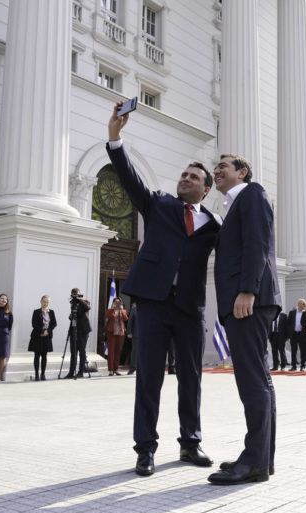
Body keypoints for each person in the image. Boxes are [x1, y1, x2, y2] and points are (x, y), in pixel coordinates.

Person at [108, 105, 221, 477]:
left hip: (189, 308)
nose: (186, 178)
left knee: (192, 377)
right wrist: (115, 138)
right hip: (153, 303)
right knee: (149, 378)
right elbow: (130, 177)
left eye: (194, 177)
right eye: (184, 174)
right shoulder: (158, 203)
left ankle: (190, 443)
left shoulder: (214, 223)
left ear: (206, 189)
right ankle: (145, 450)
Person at [208, 153, 281, 486]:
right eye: (215, 167)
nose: (216, 171)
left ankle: (254, 461)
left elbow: (257, 243)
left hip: (250, 300)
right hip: (246, 300)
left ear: (242, 172)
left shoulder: (252, 193)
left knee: (252, 382)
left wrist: (247, 290)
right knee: (258, 380)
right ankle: (260, 458)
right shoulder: (234, 204)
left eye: (223, 166)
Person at [64, 288, 92, 379]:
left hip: (83, 331)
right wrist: (70, 317)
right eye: (73, 294)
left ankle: (81, 372)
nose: (75, 296)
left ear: (79, 294)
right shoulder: (73, 303)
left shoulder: (85, 301)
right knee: (73, 353)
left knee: (82, 351)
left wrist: (79, 299)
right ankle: (71, 372)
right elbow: (74, 316)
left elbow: (87, 308)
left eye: (76, 294)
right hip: (74, 330)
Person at [28, 295, 57, 381]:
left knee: (44, 356)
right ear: (40, 301)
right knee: (37, 355)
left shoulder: (51, 312)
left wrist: (48, 331)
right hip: (37, 336)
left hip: (47, 336)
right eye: (44, 301)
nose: (45, 303)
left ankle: (43, 374)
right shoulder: (36, 312)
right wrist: (42, 331)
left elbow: (54, 323)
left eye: (47, 302)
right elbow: (34, 324)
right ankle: (36, 374)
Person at [105, 297, 128, 376]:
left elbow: (125, 319)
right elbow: (107, 316)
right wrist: (113, 308)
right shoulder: (110, 310)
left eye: (119, 302)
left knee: (118, 351)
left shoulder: (123, 311)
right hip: (111, 332)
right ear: (113, 303)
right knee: (111, 351)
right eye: (116, 302)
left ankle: (116, 369)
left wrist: (121, 310)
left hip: (120, 333)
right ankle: (110, 370)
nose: (117, 304)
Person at [287, 299, 306, 371]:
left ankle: (302, 366)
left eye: (305, 304)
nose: (304, 305)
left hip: (302, 334)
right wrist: (288, 334)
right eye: (303, 304)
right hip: (294, 334)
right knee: (293, 350)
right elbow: (288, 323)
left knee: (303, 351)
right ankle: (293, 366)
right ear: (299, 304)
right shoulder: (292, 313)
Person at [126, 302, 137, 374]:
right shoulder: (134, 309)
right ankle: (132, 368)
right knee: (135, 352)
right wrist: (129, 332)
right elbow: (130, 321)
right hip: (136, 334)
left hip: (146, 335)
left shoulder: (148, 309)